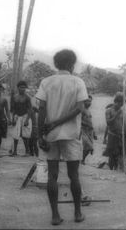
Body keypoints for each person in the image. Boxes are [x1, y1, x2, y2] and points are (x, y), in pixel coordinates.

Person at [36, 49, 87, 224]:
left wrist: (40, 134)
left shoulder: (46, 82)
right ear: (72, 64)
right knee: (74, 176)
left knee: (52, 176)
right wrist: (59, 123)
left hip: (50, 134)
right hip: (71, 133)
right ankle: (78, 213)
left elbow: (41, 109)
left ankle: (55, 216)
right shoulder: (78, 82)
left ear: (56, 64)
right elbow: (80, 108)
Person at [10, 81, 32, 157]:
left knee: (25, 135)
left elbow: (30, 109)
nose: (22, 89)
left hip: (25, 116)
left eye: (24, 87)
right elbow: (13, 109)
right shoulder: (15, 97)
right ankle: (14, 151)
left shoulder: (27, 97)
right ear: (18, 88)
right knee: (15, 134)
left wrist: (27, 120)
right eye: (21, 87)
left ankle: (27, 151)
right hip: (17, 116)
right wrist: (13, 118)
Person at [104, 93, 124, 170]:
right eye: (120, 104)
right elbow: (108, 122)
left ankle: (116, 168)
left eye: (122, 104)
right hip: (112, 134)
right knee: (111, 153)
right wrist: (116, 115)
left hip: (120, 134)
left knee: (119, 152)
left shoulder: (121, 111)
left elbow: (122, 123)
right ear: (116, 102)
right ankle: (111, 169)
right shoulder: (109, 111)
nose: (121, 106)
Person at [81, 95, 97, 165]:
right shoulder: (81, 110)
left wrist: (94, 133)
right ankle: (81, 160)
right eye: (87, 101)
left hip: (89, 131)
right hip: (83, 130)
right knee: (88, 146)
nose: (89, 103)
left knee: (89, 148)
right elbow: (78, 121)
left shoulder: (88, 111)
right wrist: (85, 124)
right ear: (84, 101)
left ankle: (82, 160)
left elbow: (91, 122)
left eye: (90, 101)